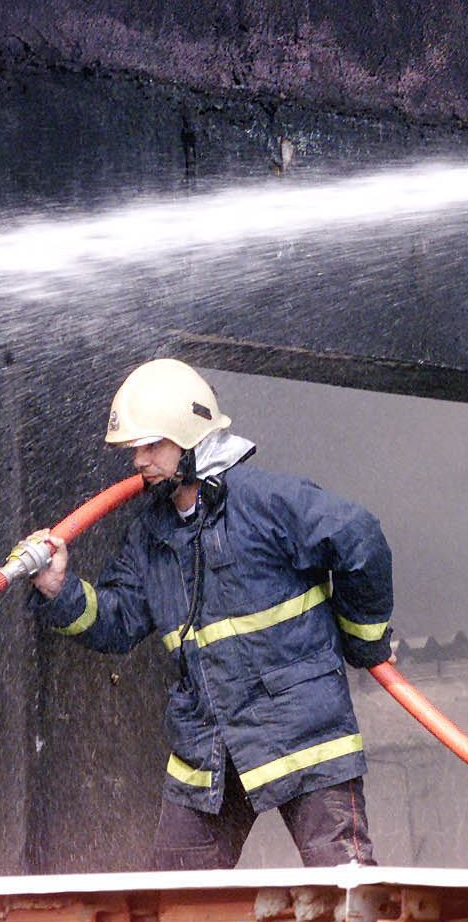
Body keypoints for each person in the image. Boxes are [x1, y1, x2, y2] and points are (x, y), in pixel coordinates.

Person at [24, 357, 393, 869]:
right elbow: (118, 623)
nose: (139, 462)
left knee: (343, 888)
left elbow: (359, 538)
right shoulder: (149, 535)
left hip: (302, 732)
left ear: (191, 438)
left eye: (152, 446)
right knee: (174, 901)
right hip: (208, 748)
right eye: (135, 450)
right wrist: (58, 589)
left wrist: (364, 642)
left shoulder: (265, 501)